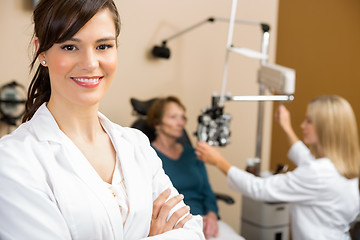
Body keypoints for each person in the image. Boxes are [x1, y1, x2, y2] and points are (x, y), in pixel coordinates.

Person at [0, 1, 205, 239]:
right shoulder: (13, 159)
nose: (89, 63)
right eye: (69, 47)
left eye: (103, 46)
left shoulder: (136, 144)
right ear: (41, 51)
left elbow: (191, 233)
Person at [195, 95, 360, 240]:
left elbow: (259, 188)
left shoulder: (318, 173)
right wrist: (286, 128)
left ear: (326, 128)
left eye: (309, 121)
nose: (302, 125)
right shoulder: (343, 166)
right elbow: (307, 161)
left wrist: (219, 161)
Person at [147, 96, 244, 240]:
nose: (181, 123)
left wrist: (212, 215)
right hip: (174, 225)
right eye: (174, 117)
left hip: (205, 220)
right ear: (157, 123)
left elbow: (207, 191)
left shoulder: (193, 154)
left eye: (183, 118)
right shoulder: (148, 156)